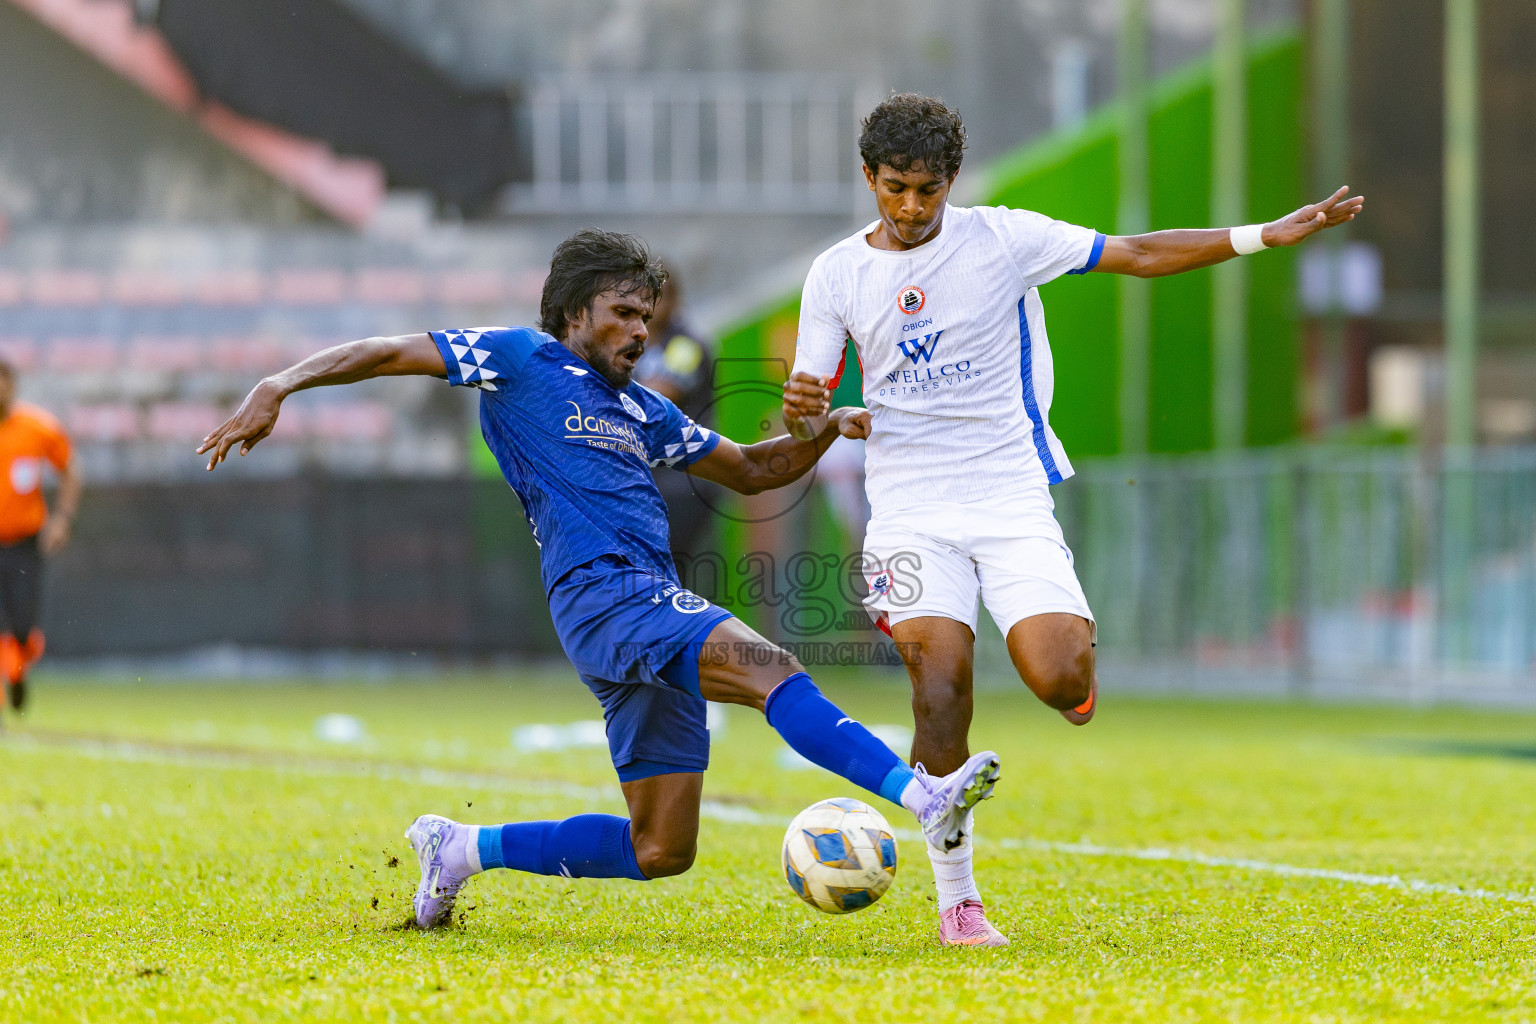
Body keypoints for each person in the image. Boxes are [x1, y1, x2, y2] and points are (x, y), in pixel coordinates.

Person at [198, 229, 1003, 930]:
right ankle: (923, 798)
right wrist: (278, 385)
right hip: (603, 594)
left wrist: (825, 430)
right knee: (771, 670)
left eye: (647, 315)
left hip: (639, 602)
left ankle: (461, 848)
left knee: (660, 848)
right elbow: (384, 351)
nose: (641, 330)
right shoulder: (519, 358)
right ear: (574, 312)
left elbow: (755, 470)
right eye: (624, 312)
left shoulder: (643, 408)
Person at [783, 94, 1363, 946]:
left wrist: (1261, 237)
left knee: (1056, 678)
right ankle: (959, 904)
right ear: (869, 177)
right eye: (896, 188)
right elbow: (806, 418)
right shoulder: (835, 273)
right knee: (938, 691)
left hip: (1009, 494)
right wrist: (812, 413)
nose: (911, 207)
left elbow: (1137, 253)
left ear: (953, 181)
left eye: (929, 190)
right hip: (908, 509)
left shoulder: (1003, 239)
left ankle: (1074, 674)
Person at [0, 361, 80, 713]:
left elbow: (69, 469)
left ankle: (17, 672)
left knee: (22, 625)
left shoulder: (37, 428)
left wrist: (62, 519)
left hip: (23, 543)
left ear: (13, 386)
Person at [631, 267, 719, 562]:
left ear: (675, 300)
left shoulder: (686, 345)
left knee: (668, 568)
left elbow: (656, 399)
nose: (650, 305)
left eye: (658, 297)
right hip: (650, 482)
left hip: (683, 482)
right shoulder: (635, 344)